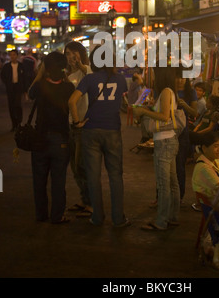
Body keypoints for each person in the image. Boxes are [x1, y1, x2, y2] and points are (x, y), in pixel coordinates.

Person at [68, 45, 129, 228]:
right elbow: (124, 102)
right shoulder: (120, 80)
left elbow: (72, 101)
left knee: (93, 176)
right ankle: (118, 219)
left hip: (90, 131)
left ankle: (97, 217)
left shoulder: (89, 79)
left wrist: (77, 122)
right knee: (115, 176)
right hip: (112, 131)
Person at [28, 52, 75, 224]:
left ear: (45, 68)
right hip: (61, 139)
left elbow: (29, 94)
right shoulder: (68, 88)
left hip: (39, 138)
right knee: (59, 180)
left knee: (39, 180)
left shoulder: (39, 86)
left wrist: (41, 74)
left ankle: (41, 214)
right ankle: (57, 216)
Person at [133, 66, 180, 231]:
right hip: (170, 140)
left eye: (154, 73)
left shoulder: (166, 91)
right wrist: (151, 107)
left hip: (164, 141)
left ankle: (161, 221)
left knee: (164, 184)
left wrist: (144, 111)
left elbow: (165, 116)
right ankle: (173, 216)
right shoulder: (167, 92)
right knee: (172, 183)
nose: (152, 76)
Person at [64, 41, 92, 218]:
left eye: (73, 54)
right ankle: (84, 199)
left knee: (83, 165)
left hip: (83, 123)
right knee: (74, 166)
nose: (70, 58)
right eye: (67, 54)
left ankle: (91, 203)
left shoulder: (87, 72)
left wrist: (81, 64)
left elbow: (89, 74)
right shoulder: (68, 74)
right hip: (70, 124)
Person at [175, 68, 198, 203]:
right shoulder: (169, 91)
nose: (180, 80)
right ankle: (161, 196)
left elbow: (195, 113)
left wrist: (184, 105)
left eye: (183, 78)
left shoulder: (191, 92)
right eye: (178, 77)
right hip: (169, 130)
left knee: (180, 165)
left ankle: (180, 196)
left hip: (183, 132)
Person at [192, 131, 219, 205]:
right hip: (214, 205)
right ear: (204, 148)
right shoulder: (204, 168)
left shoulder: (218, 161)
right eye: (216, 146)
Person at [0, 49, 27, 131]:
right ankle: (14, 124)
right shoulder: (6, 66)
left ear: (17, 56)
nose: (12, 56)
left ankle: (19, 122)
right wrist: (7, 83)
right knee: (11, 106)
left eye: (14, 55)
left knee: (18, 105)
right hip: (10, 88)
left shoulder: (21, 66)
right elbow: (2, 76)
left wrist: (25, 89)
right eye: (11, 55)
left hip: (19, 88)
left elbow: (25, 78)